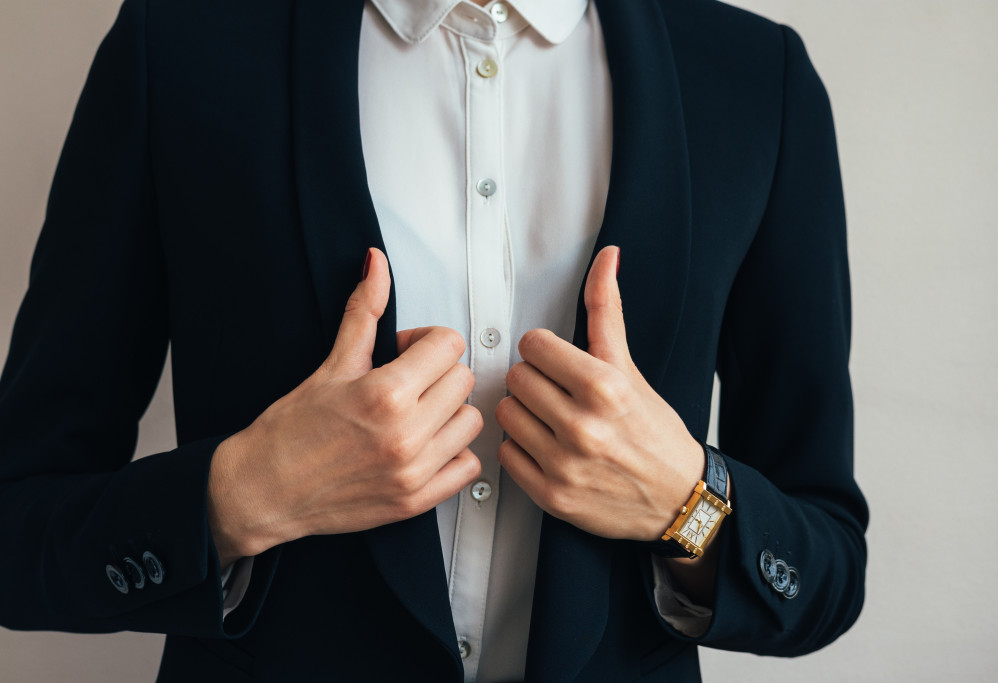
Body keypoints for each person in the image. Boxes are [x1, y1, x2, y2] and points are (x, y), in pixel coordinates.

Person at [0, 0, 869, 680]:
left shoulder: (758, 81)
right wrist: (242, 493)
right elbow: (19, 529)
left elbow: (825, 566)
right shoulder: (178, 45)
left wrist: (689, 501)